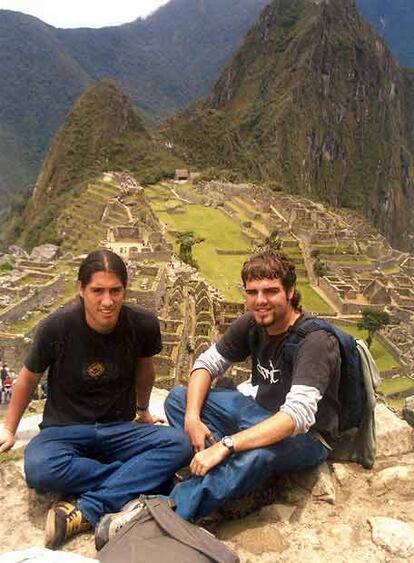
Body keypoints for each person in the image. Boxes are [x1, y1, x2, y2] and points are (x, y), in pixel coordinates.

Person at [0, 249, 191, 549]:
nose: (107, 301)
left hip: (118, 428)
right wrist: (9, 429)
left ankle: (87, 508)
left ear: (125, 290)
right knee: (38, 468)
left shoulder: (142, 325)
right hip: (65, 431)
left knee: (179, 444)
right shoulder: (56, 327)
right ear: (81, 289)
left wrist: (143, 410)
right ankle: (141, 480)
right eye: (97, 291)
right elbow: (28, 377)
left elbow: (145, 370)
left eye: (115, 291)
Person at [165, 249, 341, 521]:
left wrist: (226, 445)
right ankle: (237, 478)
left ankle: (170, 512)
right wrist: (191, 418)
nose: (260, 301)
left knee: (256, 455)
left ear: (291, 292)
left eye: (271, 291)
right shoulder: (252, 323)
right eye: (252, 292)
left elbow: (297, 416)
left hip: (306, 436)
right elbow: (205, 364)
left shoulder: (314, 341)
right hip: (259, 414)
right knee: (178, 398)